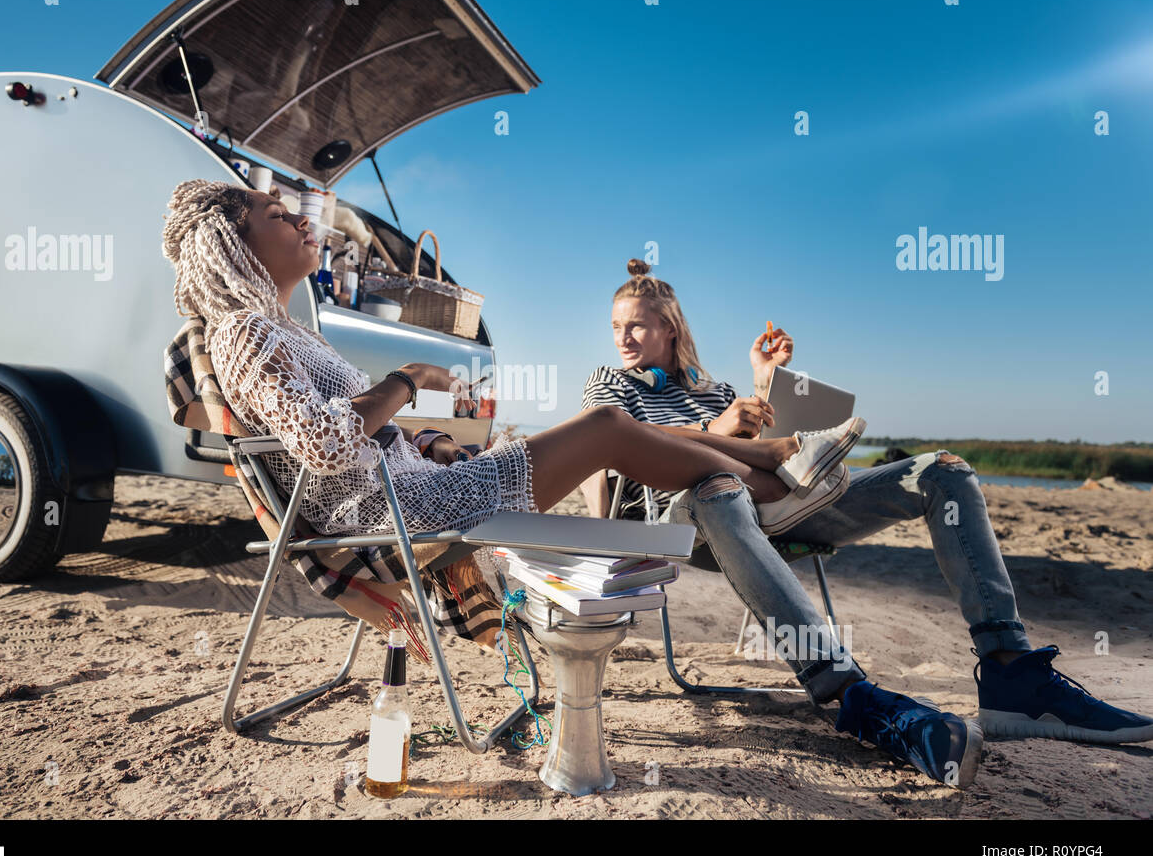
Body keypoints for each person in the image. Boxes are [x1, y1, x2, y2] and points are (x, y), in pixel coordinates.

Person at [160, 178, 984, 787]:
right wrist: (406, 382)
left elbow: (346, 436)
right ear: (236, 248)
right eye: (278, 217)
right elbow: (327, 446)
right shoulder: (242, 331)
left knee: (605, 434)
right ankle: (778, 469)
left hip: (411, 491)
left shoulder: (268, 330)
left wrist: (415, 429)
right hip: (400, 510)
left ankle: (777, 468)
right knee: (604, 429)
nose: (302, 221)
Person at [578, 258, 1153, 764]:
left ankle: (1012, 674)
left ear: (669, 328)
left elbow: (736, 415)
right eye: (616, 327)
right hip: (685, 516)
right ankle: (849, 691)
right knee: (721, 485)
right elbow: (615, 440)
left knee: (942, 471)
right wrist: (713, 431)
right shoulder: (609, 381)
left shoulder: (713, 386)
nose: (623, 338)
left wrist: (763, 384)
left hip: (774, 505)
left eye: (635, 325)